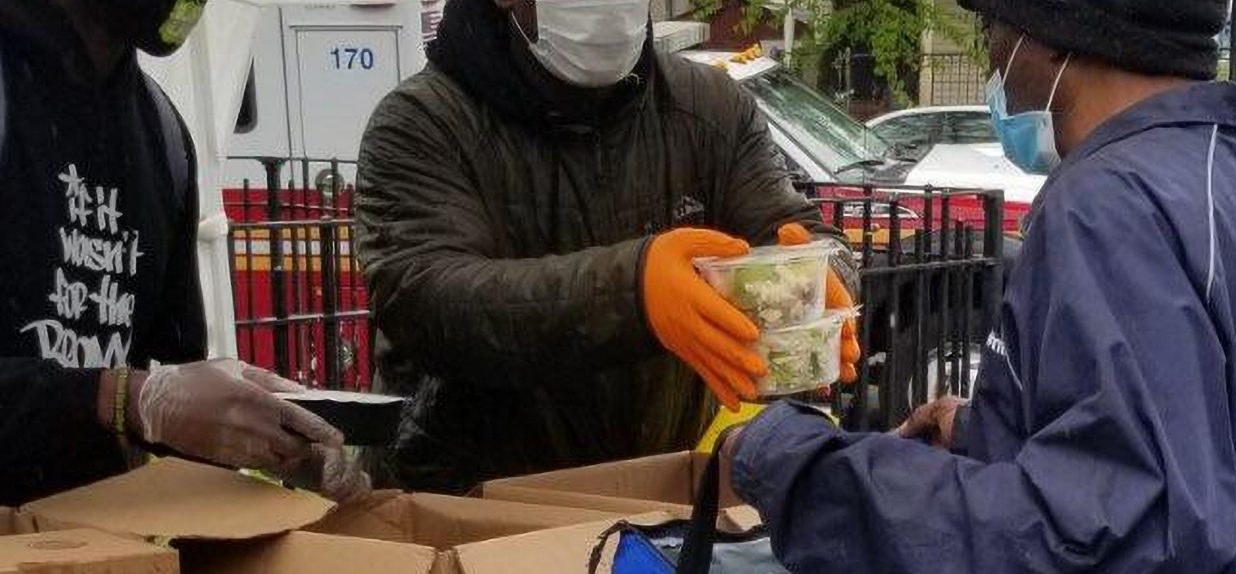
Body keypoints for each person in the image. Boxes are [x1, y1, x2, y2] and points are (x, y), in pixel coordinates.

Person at [724, 0, 1236, 571]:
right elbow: (1216, 444)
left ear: (1059, 34)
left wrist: (799, 466)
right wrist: (987, 430)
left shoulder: (1107, 206)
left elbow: (1099, 539)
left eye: (994, 29)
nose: (993, 61)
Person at [355, 0, 860, 493]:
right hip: (465, 498)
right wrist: (632, 293)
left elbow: (791, 225)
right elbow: (425, 300)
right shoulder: (421, 122)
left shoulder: (710, 108)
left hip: (650, 487)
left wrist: (822, 276)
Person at [0, 0, 367, 505]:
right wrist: (122, 398)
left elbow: (173, 382)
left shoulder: (161, 134)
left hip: (89, 548)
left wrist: (267, 431)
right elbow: (137, 397)